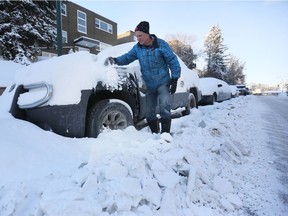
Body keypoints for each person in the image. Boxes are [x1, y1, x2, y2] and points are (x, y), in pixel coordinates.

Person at [105, 21, 181, 134]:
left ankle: (165, 135)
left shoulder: (160, 44)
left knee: (164, 107)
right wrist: (115, 60)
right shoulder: (137, 48)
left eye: (140, 36)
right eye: (136, 36)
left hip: (163, 82)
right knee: (150, 113)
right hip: (150, 85)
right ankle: (155, 134)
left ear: (147, 34)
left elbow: (172, 60)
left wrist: (174, 78)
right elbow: (128, 57)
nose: (138, 38)